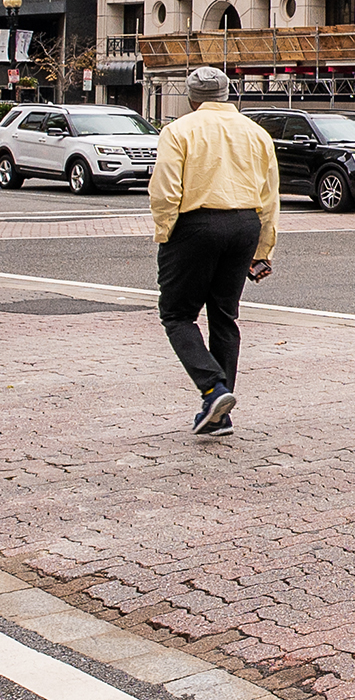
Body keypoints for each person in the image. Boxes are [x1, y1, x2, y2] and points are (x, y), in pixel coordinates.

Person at [148, 67, 279, 437]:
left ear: (191, 98)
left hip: (196, 224)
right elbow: (270, 196)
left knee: (176, 314)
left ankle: (212, 389)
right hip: (244, 224)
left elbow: (165, 190)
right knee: (224, 316)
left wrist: (167, 232)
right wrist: (263, 248)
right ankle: (219, 413)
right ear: (226, 95)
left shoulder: (179, 131)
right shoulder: (256, 133)